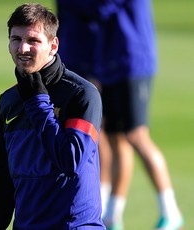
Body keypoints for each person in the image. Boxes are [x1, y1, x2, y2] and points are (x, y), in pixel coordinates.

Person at [56, 0, 184, 230]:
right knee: (115, 137)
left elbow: (101, 7)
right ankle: (113, 214)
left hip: (132, 60)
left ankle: (171, 211)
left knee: (136, 135)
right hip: (109, 64)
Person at [0, 3, 106, 230]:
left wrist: (38, 102)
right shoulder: (8, 102)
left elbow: (70, 161)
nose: (23, 48)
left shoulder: (82, 94)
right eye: (16, 39)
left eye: (33, 41)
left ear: (53, 45)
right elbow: (1, 185)